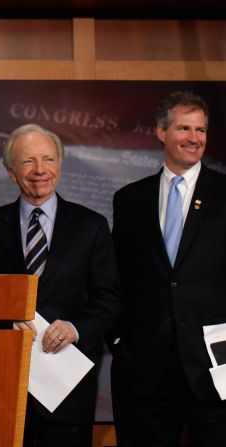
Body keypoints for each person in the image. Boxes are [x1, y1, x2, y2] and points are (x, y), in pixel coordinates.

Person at [0, 123, 122, 446]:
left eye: (49, 160)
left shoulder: (91, 226)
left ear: (60, 165)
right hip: (4, 382)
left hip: (67, 385)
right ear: (11, 171)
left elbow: (110, 300)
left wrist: (75, 327)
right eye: (28, 161)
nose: (40, 170)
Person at [110, 91, 226, 446]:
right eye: (185, 128)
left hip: (214, 369)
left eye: (201, 130)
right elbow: (118, 277)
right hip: (146, 368)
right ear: (161, 132)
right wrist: (118, 341)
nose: (195, 138)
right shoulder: (130, 199)